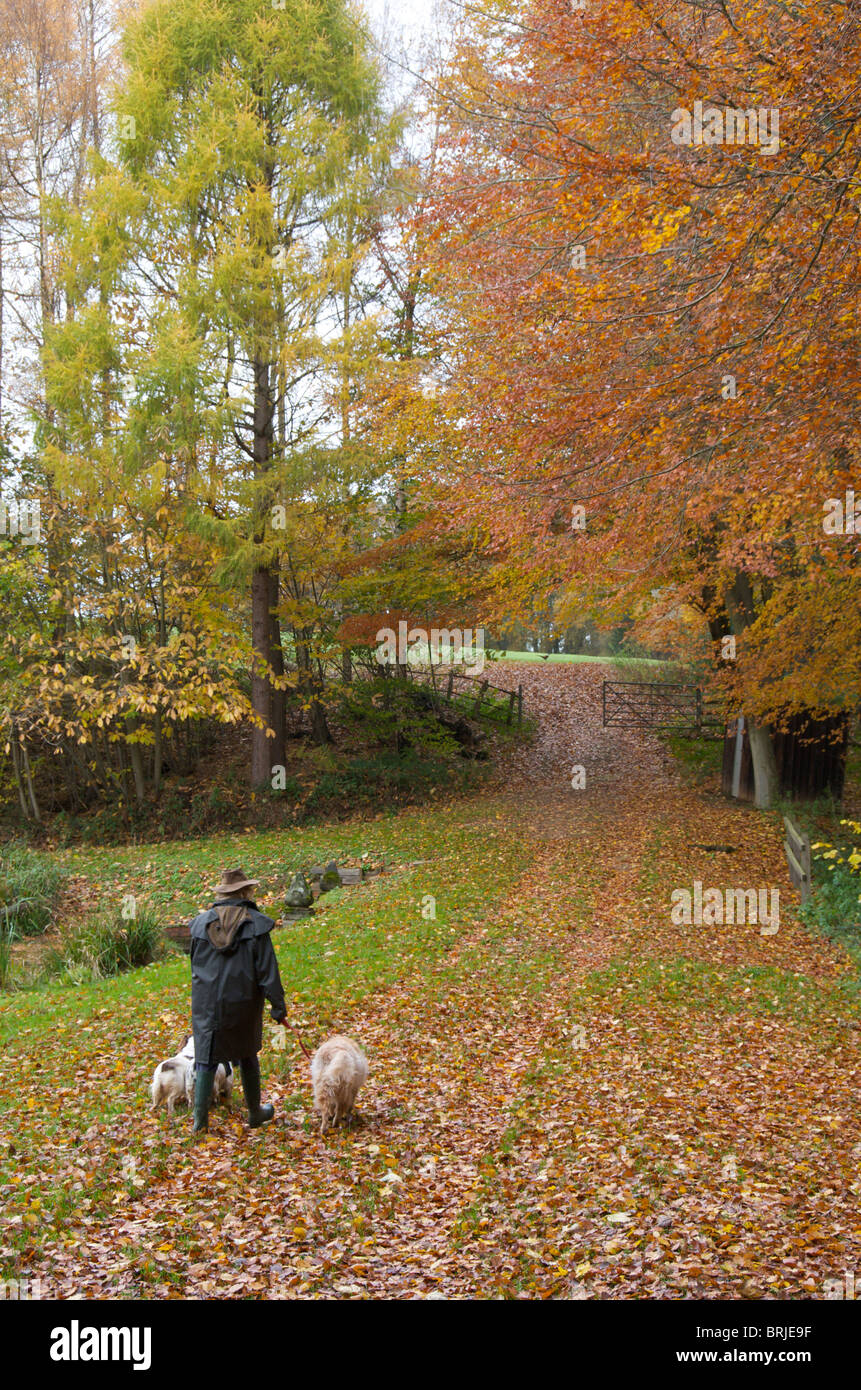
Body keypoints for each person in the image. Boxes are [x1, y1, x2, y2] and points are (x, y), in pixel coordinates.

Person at [189, 866, 288, 1134]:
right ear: (245, 892)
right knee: (247, 1054)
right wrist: (278, 1007)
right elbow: (268, 971)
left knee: (206, 1057)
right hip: (243, 1001)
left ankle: (200, 1123)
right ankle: (255, 1113)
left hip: (206, 1003)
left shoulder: (200, 926)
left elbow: (194, 967)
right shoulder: (256, 925)